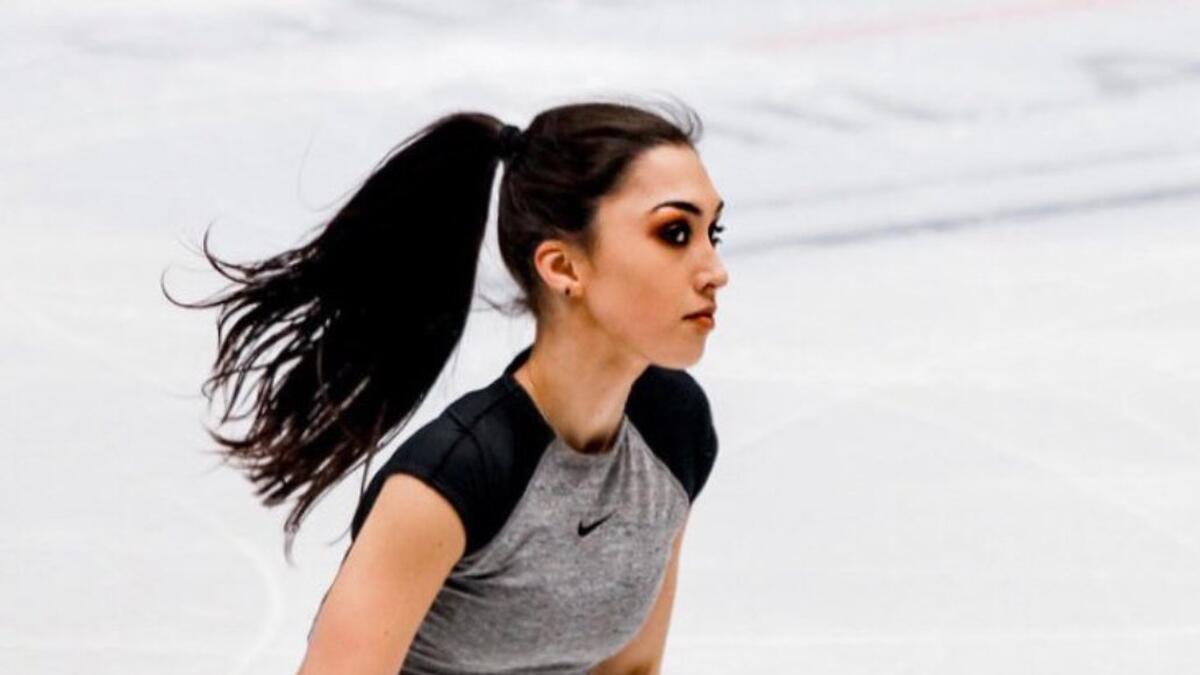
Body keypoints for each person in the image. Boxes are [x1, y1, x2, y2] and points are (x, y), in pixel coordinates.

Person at [166, 97, 729, 674]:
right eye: (675, 233)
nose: (716, 271)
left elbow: (630, 670)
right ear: (562, 267)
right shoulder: (456, 477)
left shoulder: (671, 426)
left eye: (714, 231)